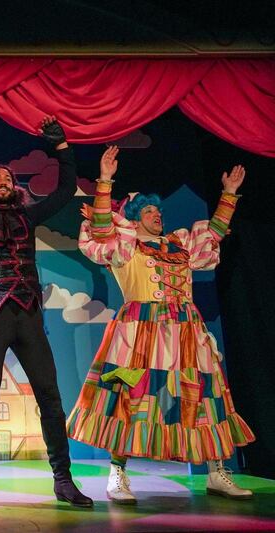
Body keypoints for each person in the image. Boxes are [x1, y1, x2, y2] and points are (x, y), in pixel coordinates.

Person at [68, 146, 255, 504]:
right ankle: (118, 473)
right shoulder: (125, 246)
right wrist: (105, 181)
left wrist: (228, 194)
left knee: (203, 397)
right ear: (135, 219)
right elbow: (104, 227)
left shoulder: (179, 244)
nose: (157, 215)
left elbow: (213, 234)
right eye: (149, 211)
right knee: (130, 397)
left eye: (158, 210)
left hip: (185, 329)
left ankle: (217, 471)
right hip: (140, 331)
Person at [0, 106, 93, 508]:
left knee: (50, 397)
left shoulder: (28, 216)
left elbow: (63, 191)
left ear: (15, 187)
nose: (3, 181)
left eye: (8, 177)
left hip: (29, 316)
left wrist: (61, 146)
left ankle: (63, 479)